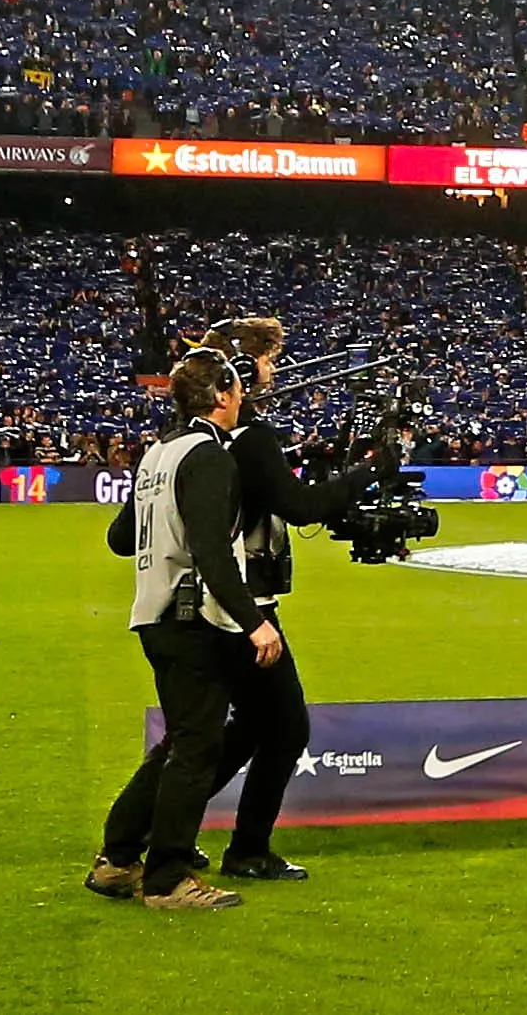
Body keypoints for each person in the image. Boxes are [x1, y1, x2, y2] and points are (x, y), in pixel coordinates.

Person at [91, 348, 270, 913]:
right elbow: (213, 551)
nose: (242, 399)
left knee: (180, 742)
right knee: (198, 747)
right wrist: (255, 623)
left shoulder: (158, 454)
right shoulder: (209, 456)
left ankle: (119, 858)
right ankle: (166, 877)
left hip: (152, 613)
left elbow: (121, 538)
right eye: (237, 389)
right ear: (221, 396)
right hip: (192, 617)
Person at [191, 319, 332, 884]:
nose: (273, 371)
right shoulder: (247, 436)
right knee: (283, 726)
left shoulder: (205, 437)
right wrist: (366, 474)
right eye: (268, 360)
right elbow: (295, 505)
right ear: (242, 370)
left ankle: (160, 830)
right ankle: (241, 848)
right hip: (240, 604)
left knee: (244, 727)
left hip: (210, 601)